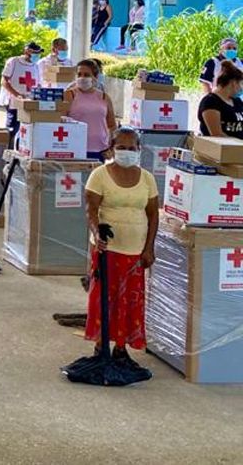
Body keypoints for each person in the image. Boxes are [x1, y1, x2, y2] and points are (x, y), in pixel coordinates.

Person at [83, 126, 158, 362]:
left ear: (139, 150)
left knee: (130, 302)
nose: (127, 152)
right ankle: (100, 346)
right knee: (105, 298)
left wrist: (148, 248)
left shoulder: (147, 178)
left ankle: (121, 349)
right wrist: (97, 234)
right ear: (111, 149)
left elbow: (153, 215)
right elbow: (91, 209)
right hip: (109, 250)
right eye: (121, 148)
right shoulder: (100, 175)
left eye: (131, 148)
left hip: (135, 251)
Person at [65, 59, 116, 161]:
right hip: (74, 149)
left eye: (87, 75)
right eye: (79, 74)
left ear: (95, 77)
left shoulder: (104, 97)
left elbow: (112, 125)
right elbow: (61, 120)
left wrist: (111, 147)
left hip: (100, 151)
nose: (82, 78)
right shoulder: (69, 95)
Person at [0, 41, 43, 138]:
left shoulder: (36, 66)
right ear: (27, 51)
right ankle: (8, 148)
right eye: (35, 53)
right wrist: (17, 94)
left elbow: (38, 84)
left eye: (38, 53)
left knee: (26, 130)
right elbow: (4, 81)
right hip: (14, 102)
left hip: (29, 103)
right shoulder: (14, 62)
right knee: (12, 129)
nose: (37, 55)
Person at [198, 60, 243, 138]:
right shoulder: (210, 102)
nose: (241, 88)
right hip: (222, 149)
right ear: (234, 83)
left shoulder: (237, 102)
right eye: (241, 84)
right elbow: (217, 135)